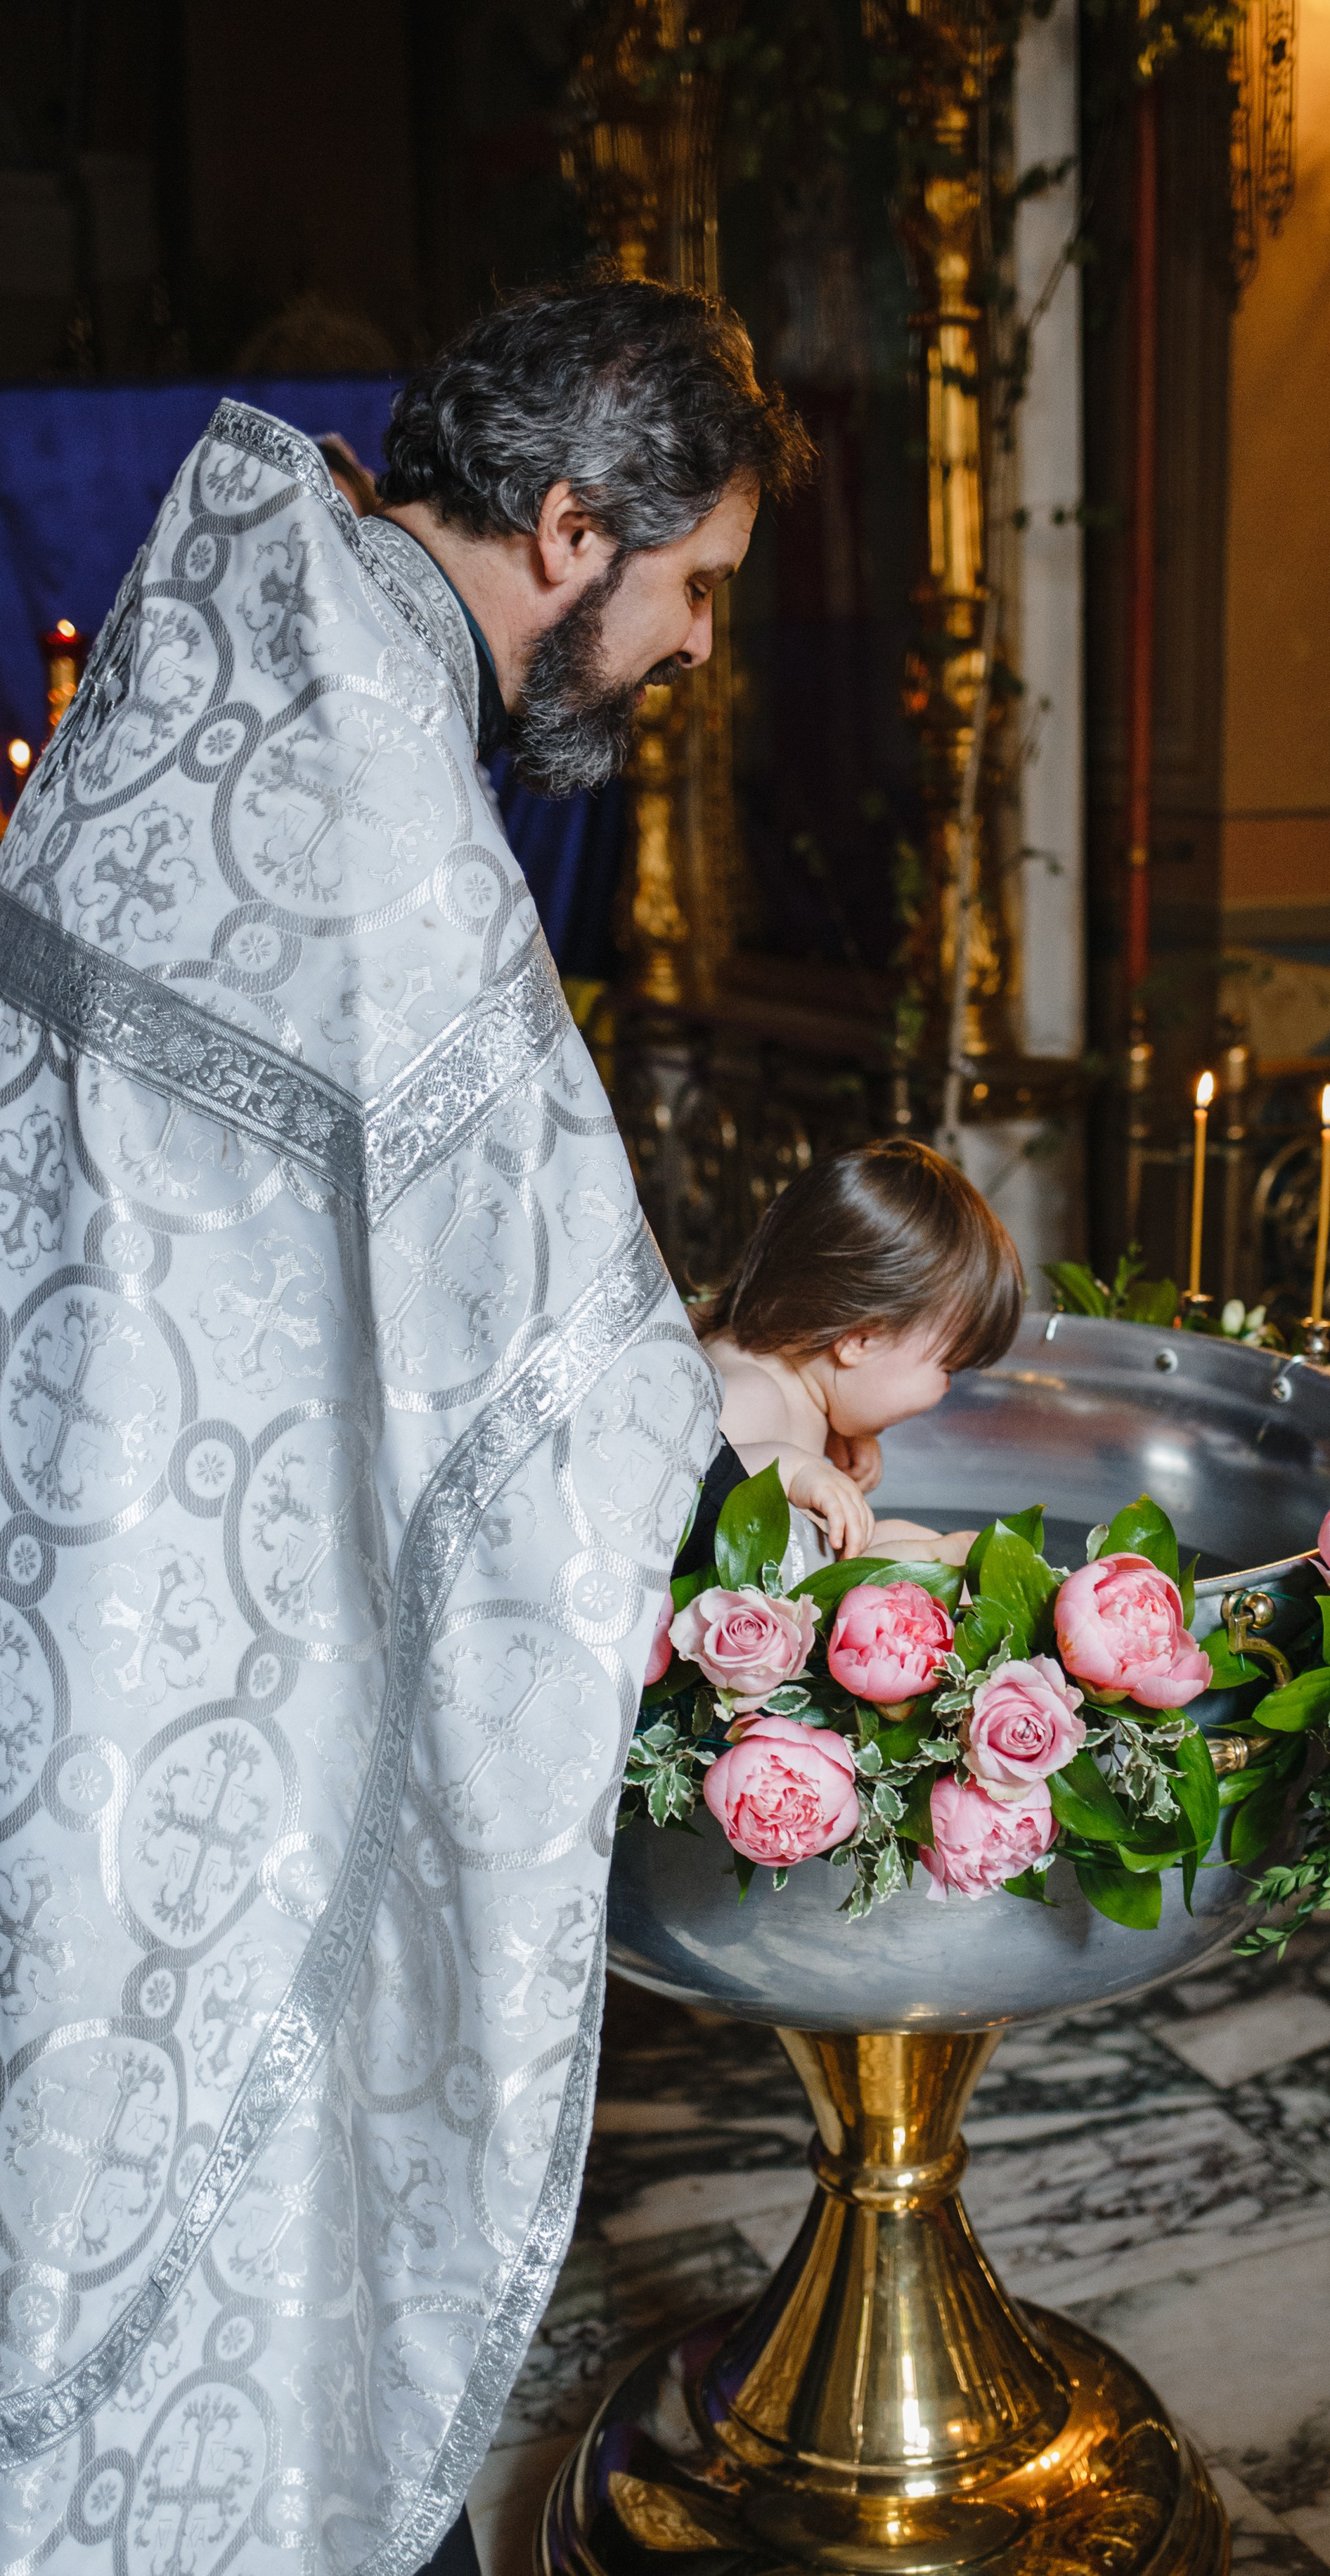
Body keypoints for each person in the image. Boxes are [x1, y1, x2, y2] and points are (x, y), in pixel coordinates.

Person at [0, 275, 810, 2576]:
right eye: (695, 584)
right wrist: (742, 1419)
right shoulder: (365, 783)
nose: (696, 647)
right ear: (570, 529)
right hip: (198, 1683)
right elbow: (531, 1352)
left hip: (101, 1584)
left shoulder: (241, 650)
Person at [684, 1140, 1024, 1570]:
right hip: (730, 1596)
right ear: (860, 1341)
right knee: (931, 1557)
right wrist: (792, 1469)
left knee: (932, 1543)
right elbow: (676, 1482)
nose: (946, 1388)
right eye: (948, 1368)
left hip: (788, 1569)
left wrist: (840, 1423)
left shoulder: (796, 1381)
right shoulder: (752, 1394)